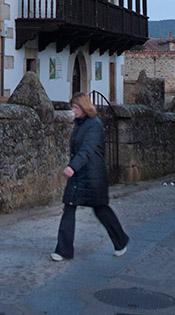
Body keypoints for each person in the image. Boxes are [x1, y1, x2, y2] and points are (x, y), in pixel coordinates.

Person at [51, 93, 129, 261]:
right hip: (79, 175)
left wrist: (72, 166)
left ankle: (121, 240)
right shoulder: (79, 124)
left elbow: (87, 149)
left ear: (84, 107)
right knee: (69, 208)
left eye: (76, 107)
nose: (73, 110)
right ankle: (63, 250)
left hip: (93, 175)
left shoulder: (95, 125)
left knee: (101, 209)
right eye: (72, 107)